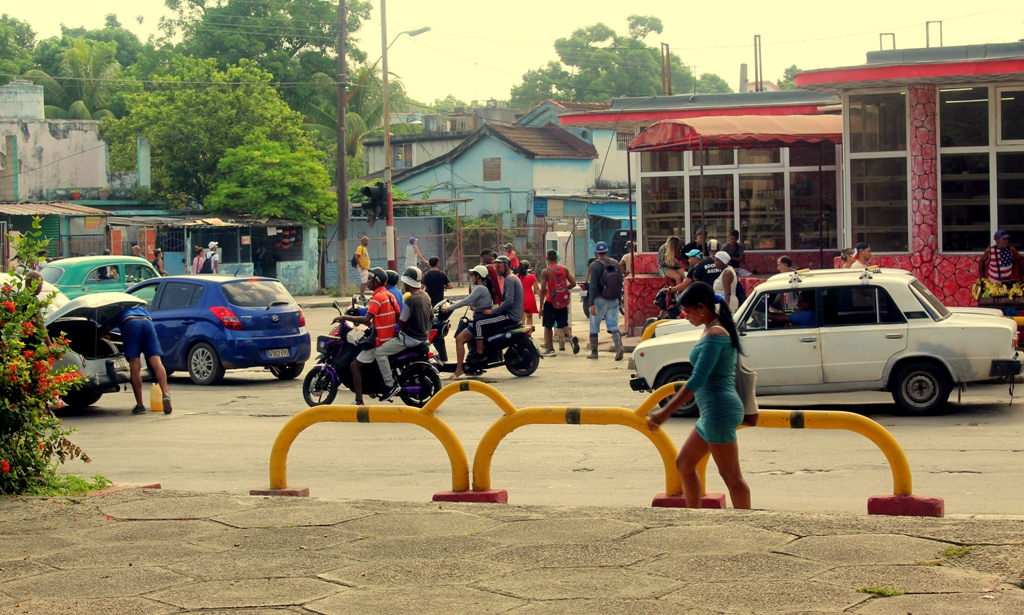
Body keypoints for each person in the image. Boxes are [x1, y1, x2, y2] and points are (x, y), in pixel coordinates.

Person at [647, 282, 750, 510]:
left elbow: (697, 379)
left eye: (687, 311)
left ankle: (746, 524)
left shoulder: (715, 334)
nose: (686, 317)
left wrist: (666, 411)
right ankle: (694, 518)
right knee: (684, 464)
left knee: (731, 476)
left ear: (701, 307)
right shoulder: (713, 328)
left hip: (718, 410)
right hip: (712, 411)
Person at [334, 268, 399, 405]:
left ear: (376, 282)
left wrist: (344, 317)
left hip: (380, 340)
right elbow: (397, 317)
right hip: (390, 337)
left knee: (354, 366)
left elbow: (366, 319)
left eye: (370, 279)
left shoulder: (377, 298)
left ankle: (359, 400)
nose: (367, 281)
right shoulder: (390, 296)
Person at [372, 267, 433, 401]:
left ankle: (390, 384)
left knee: (379, 353)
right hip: (423, 336)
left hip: (410, 337)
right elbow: (431, 314)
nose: (404, 285)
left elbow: (402, 322)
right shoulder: (425, 296)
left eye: (405, 282)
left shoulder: (411, 300)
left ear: (408, 283)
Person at [102, 305, 172, 415]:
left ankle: (140, 405)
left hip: (131, 324)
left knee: (135, 364)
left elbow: (106, 328)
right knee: (156, 362)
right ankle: (166, 394)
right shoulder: (140, 309)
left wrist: (101, 332)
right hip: (147, 323)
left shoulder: (119, 311)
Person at [442, 265, 493, 379]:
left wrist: (449, 308)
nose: (471, 277)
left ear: (478, 276)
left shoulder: (480, 288)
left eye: (472, 275)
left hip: (480, 319)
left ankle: (459, 369)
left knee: (459, 339)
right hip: (480, 317)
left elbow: (466, 301)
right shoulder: (484, 287)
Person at [470, 256, 523, 361]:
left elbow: (508, 301)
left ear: (506, 266)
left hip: (509, 316)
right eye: (495, 266)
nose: (496, 268)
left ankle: (479, 353)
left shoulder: (510, 279)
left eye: (498, 266)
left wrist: (493, 311)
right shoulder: (511, 278)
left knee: (478, 322)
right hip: (511, 314)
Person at [585, 241, 625, 361]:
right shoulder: (615, 263)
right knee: (613, 324)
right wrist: (619, 298)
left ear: (596, 252)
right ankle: (619, 347)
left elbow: (592, 286)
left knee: (594, 325)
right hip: (613, 299)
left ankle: (594, 352)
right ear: (607, 251)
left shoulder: (594, 265)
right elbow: (619, 282)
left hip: (599, 300)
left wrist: (591, 303)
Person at [538, 249, 579, 357]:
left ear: (547, 258)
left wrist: (541, 307)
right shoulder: (564, 269)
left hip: (550, 302)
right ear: (557, 258)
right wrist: (564, 290)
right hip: (562, 302)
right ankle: (571, 337)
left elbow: (542, 290)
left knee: (548, 326)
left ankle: (550, 350)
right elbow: (573, 283)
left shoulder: (545, 272)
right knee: (563, 324)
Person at [518, 261, 539, 325]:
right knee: (529, 317)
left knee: (521, 318)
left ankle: (522, 333)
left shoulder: (517, 277)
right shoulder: (532, 277)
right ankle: (528, 332)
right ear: (528, 268)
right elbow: (537, 289)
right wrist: (542, 298)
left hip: (520, 298)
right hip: (530, 298)